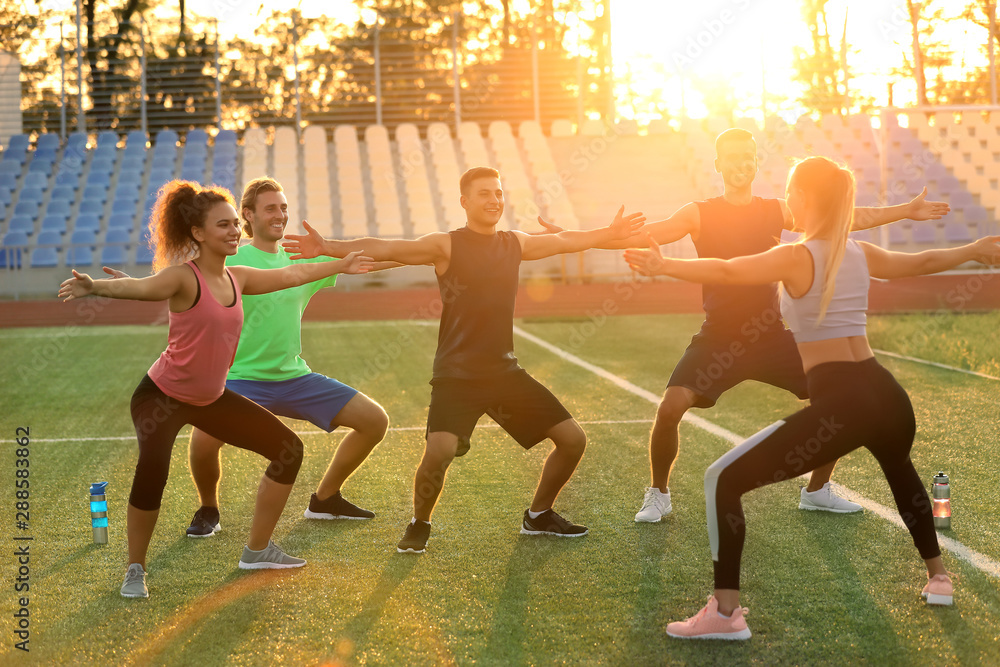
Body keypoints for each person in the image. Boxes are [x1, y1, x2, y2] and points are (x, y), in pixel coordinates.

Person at [623, 155, 999, 639]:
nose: (788, 199)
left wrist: (662, 264)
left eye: (792, 192)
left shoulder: (796, 255)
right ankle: (939, 578)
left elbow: (728, 269)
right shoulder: (859, 251)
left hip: (844, 402)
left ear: (803, 197)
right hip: (886, 393)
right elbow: (925, 262)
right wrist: (974, 249)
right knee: (900, 471)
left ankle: (725, 613)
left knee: (721, 479)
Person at [283, 166, 645, 554]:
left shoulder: (514, 243)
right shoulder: (446, 245)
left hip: (504, 372)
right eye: (485, 194)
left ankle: (538, 516)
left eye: (499, 193)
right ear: (465, 202)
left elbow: (565, 241)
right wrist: (328, 247)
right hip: (457, 376)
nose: (494, 201)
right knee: (438, 452)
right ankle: (419, 523)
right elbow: (387, 247)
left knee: (572, 441)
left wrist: (608, 233)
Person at [608, 128, 951, 522]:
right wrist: (588, 238)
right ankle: (658, 494)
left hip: (770, 335)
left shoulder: (777, 209)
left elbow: (842, 219)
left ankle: (818, 490)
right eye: (732, 157)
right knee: (670, 408)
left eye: (748, 156)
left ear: (756, 161)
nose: (741, 163)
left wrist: (905, 209)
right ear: (718, 165)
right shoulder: (698, 212)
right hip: (718, 338)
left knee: (840, 400)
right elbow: (644, 234)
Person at [58, 180, 373, 598]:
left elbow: (294, 273)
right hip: (161, 397)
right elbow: (138, 288)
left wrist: (339, 264)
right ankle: (135, 568)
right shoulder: (182, 279)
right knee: (153, 470)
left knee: (288, 450)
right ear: (198, 234)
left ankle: (257, 549)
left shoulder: (238, 277)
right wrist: (95, 286)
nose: (233, 232)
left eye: (233, 225)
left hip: (210, 398)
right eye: (222, 225)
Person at [183, 177, 390, 538]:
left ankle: (324, 500)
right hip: (240, 379)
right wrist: (130, 287)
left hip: (294, 377)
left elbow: (368, 261)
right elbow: (185, 280)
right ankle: (208, 508)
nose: (280, 215)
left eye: (284, 208)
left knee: (375, 421)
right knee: (203, 438)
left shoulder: (302, 258)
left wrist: (426, 255)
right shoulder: (233, 256)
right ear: (248, 214)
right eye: (271, 208)